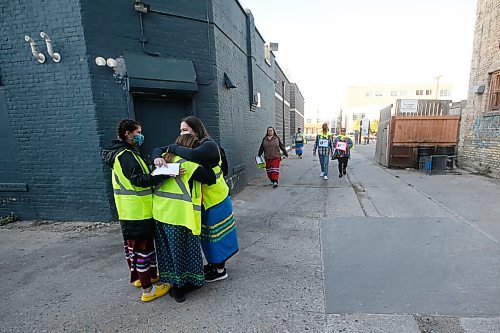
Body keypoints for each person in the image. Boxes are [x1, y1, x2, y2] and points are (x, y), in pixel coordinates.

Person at [152, 116, 239, 284]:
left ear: (195, 129)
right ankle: (214, 265)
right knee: (207, 237)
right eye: (181, 130)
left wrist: (172, 148)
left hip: (216, 199)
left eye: (185, 129)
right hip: (203, 201)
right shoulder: (188, 145)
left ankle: (220, 270)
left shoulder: (209, 145)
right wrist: (158, 156)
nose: (182, 133)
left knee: (216, 237)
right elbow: (158, 149)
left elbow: (193, 155)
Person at [102, 119, 171, 302]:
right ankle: (148, 291)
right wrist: (162, 176)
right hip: (137, 212)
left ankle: (144, 278)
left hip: (130, 211)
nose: (141, 135)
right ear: (128, 133)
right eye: (138, 132)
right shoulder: (125, 155)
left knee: (137, 249)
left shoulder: (124, 153)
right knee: (143, 250)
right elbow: (138, 180)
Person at [153, 133, 216, 303]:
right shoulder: (186, 164)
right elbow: (210, 178)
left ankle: (171, 280)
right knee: (181, 252)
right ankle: (180, 287)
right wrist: (203, 159)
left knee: (167, 251)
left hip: (160, 212)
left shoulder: (164, 158)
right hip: (179, 215)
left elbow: (155, 152)